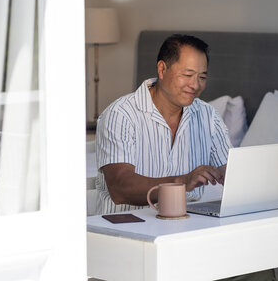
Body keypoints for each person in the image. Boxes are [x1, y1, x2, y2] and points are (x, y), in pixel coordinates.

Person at [95, 34, 231, 214]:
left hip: (189, 223)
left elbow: (231, 173)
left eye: (202, 77)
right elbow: (121, 188)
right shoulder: (121, 114)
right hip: (128, 226)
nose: (195, 85)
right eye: (188, 74)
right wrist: (182, 181)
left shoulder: (208, 116)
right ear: (162, 69)